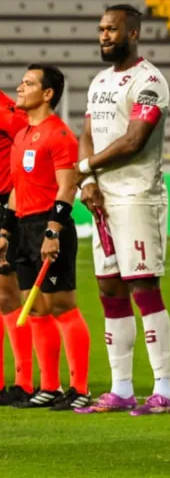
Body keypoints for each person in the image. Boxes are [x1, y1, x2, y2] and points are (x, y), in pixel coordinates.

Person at [75, 5, 170, 416]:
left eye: (111, 29)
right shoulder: (99, 82)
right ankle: (121, 389)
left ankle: (163, 391)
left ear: (132, 33)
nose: (103, 36)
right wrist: (88, 182)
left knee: (143, 288)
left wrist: (85, 168)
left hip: (137, 197)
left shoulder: (150, 81)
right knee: (109, 290)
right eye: (100, 29)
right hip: (103, 198)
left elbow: (134, 141)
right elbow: (87, 136)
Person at [1, 65, 92, 411]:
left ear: (48, 93)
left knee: (62, 306)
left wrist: (54, 231)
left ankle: (79, 389)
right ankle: (49, 386)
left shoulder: (59, 135)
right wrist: (5, 232)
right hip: (23, 228)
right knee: (36, 308)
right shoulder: (22, 135)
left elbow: (68, 186)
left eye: (28, 83)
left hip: (48, 227)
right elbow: (14, 191)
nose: (20, 88)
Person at [0, 87, 32, 406]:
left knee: (7, 295)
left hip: (4, 208)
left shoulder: (9, 113)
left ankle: (24, 381)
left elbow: (28, 150)